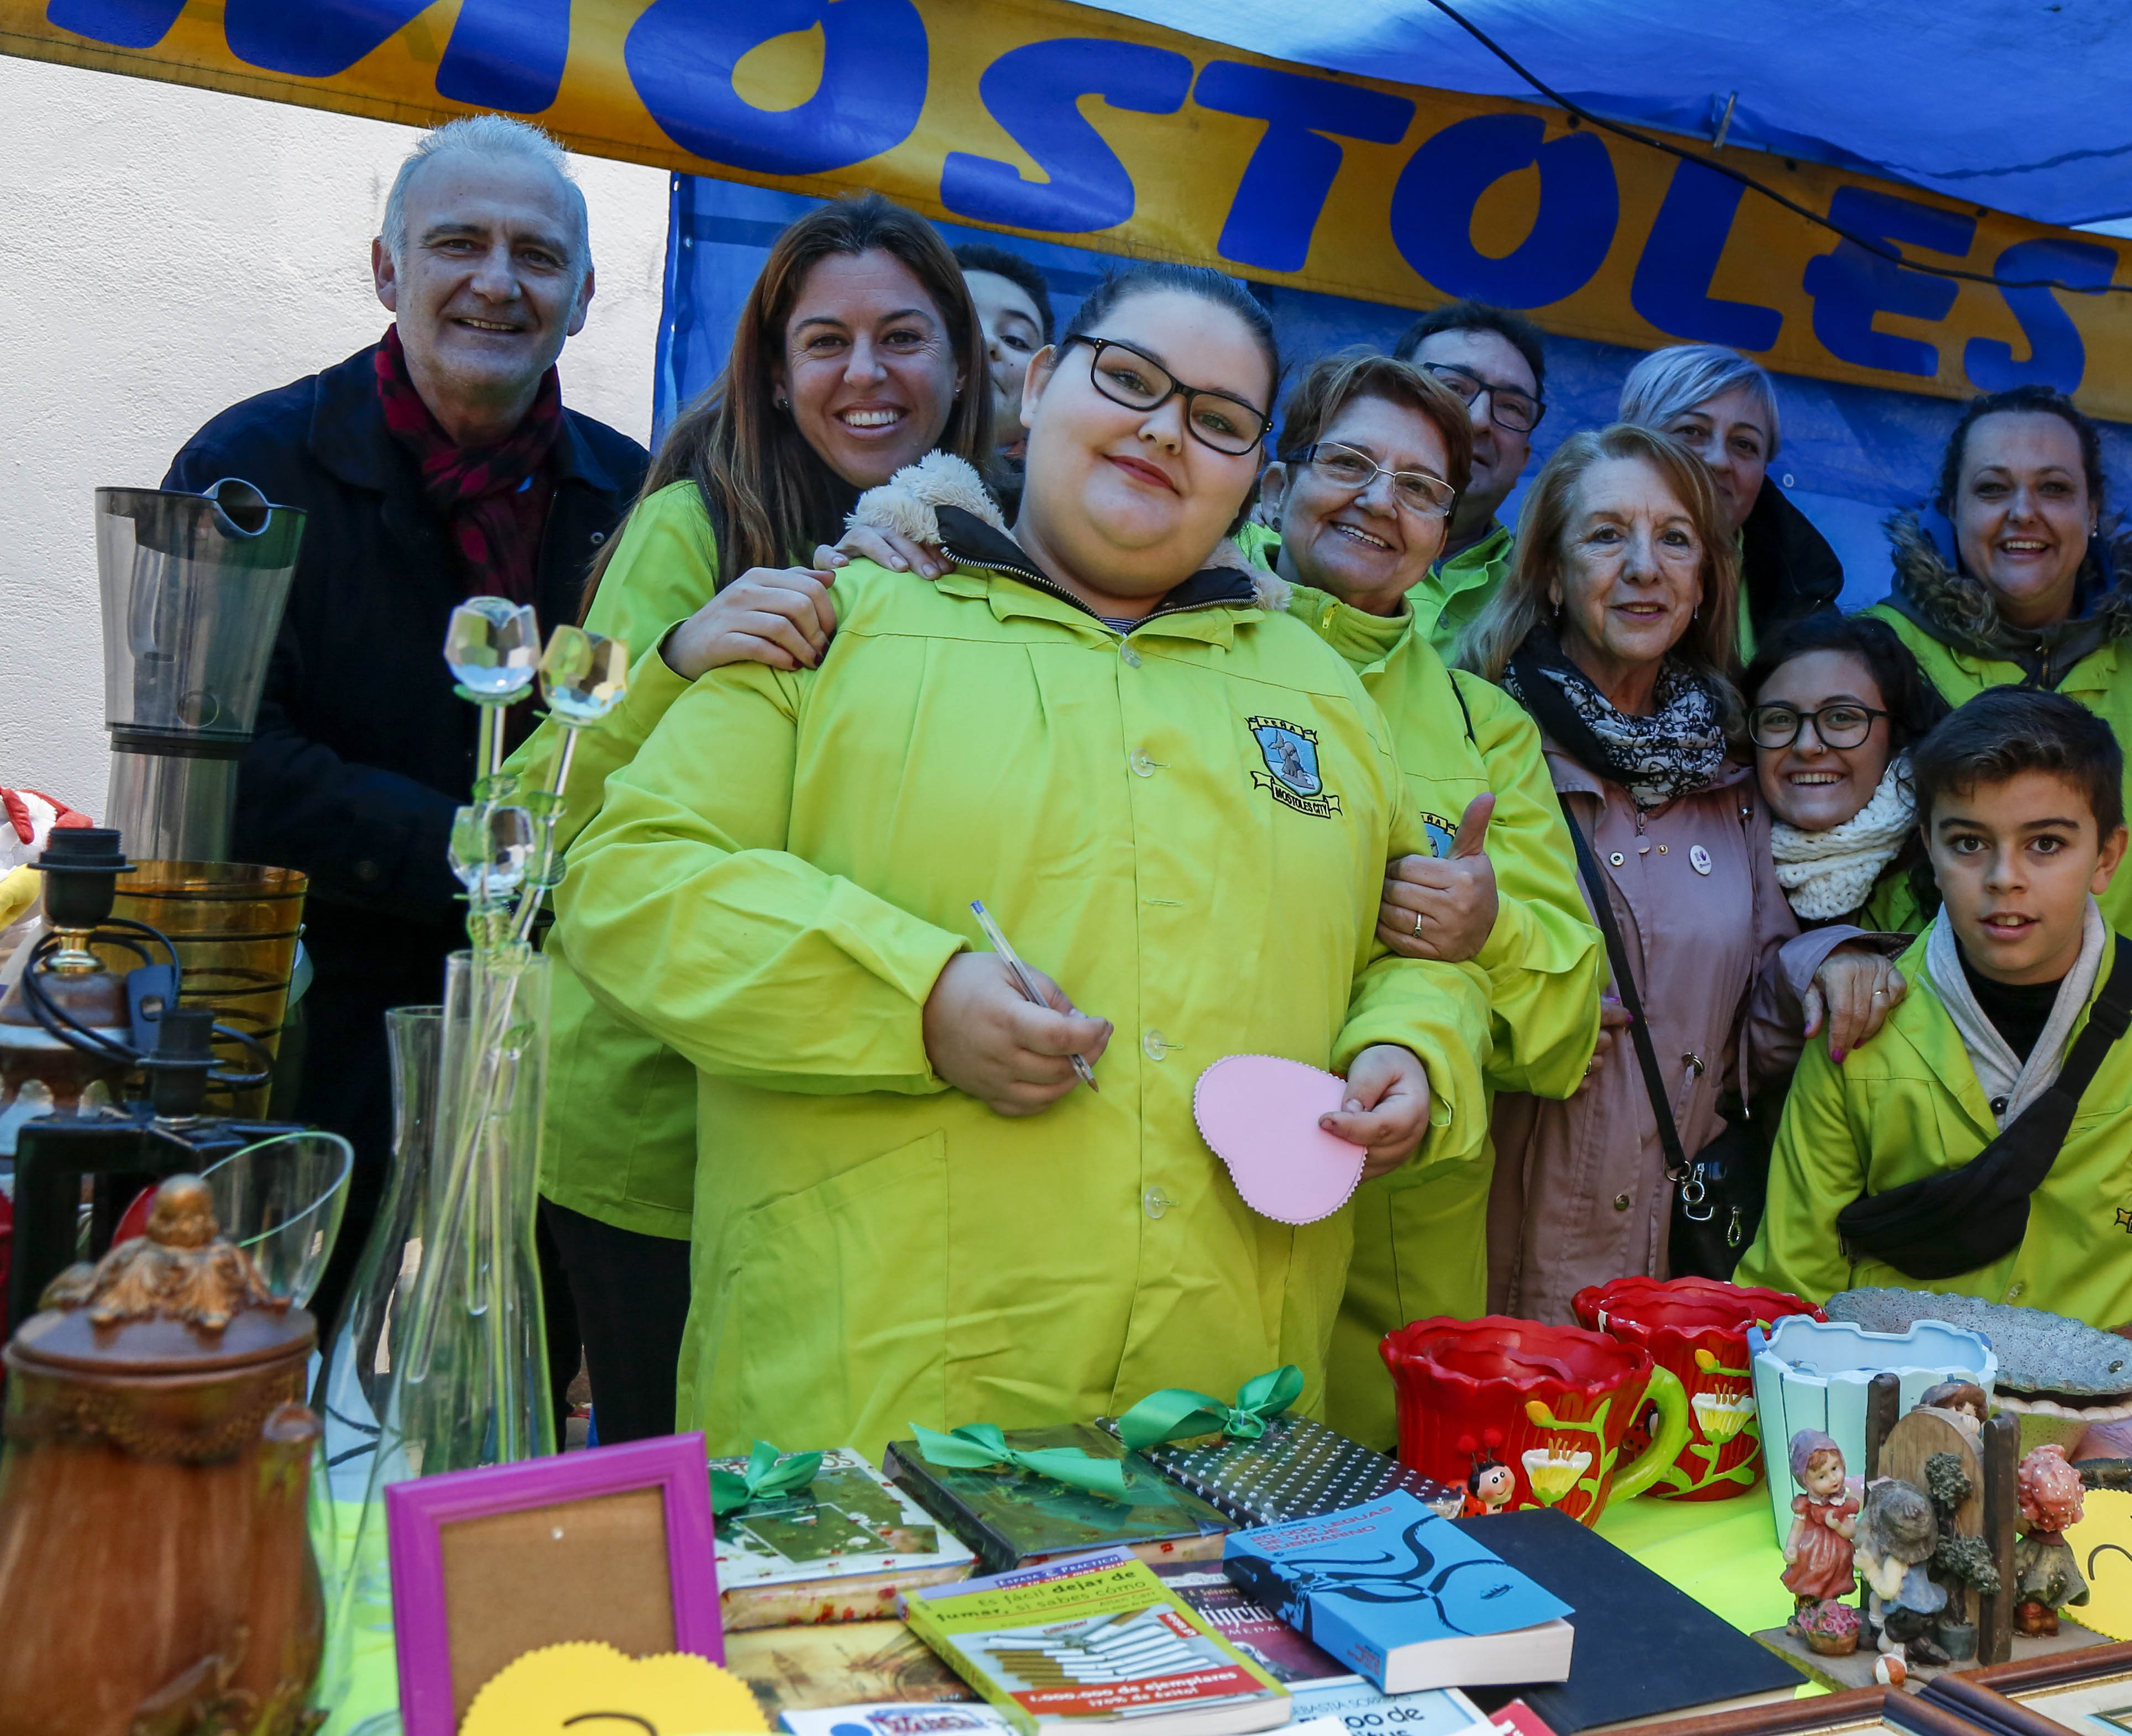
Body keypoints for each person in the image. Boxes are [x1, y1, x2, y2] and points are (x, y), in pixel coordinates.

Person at [553, 263, 1478, 1455]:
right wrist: (916, 998)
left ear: (1257, 475)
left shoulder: (1320, 691)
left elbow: (1419, 948)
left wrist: (1409, 1046)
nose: (1165, 431)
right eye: (1130, 380)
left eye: (1218, 419)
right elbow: (631, 881)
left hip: (1222, 1409)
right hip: (868, 1408)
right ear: (1038, 386)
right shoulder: (843, 621)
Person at [522, 193, 994, 1444]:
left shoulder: (988, 544)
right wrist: (676, 655)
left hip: (840, 1106)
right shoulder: (686, 525)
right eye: (825, 343)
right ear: (778, 378)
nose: (865, 374)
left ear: (959, 362)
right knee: (676, 1474)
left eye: (902, 337)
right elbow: (528, 804)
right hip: (654, 1127)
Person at [163, 114, 646, 1305]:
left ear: (585, 298)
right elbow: (219, 766)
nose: (499, 282)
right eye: (458, 245)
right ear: (388, 271)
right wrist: (488, 856)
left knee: (526, 1369)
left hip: (562, 1049)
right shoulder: (250, 469)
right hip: (312, 1048)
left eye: (539, 256)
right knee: (292, 1363)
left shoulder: (636, 500)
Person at [1239, 351, 1607, 1446]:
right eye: (1348, 465)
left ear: (1445, 534)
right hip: (1202, 1188)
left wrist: (1488, 928)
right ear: (1276, 485)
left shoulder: (1484, 730)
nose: (1377, 502)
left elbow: (1568, 1016)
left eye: (1417, 488)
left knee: (1381, 1528)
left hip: (1397, 1250)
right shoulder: (1174, 654)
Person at [1739, 689, 2132, 1319]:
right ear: (1930, 851)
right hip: (1898, 1381)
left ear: (2107, 857)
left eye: (2045, 844)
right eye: (1968, 843)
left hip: (2124, 1384)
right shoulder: (1859, 1030)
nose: (2003, 878)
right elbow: (1794, 1280)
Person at [1460, 426, 1807, 1319]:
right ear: (1551, 573)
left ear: (1704, 584)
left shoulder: (1736, 778)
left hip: (1661, 1277)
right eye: (1607, 535)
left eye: (1675, 540)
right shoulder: (1474, 743)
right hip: (1485, 1261)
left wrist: (1831, 961)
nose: (1645, 568)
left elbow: (1761, 1026)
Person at [1867, 386, 2132, 952]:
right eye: (1993, 489)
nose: (2023, 513)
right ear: (1952, 508)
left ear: (2092, 510)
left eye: (2054, 488)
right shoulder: (1876, 655)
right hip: (1927, 1007)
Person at [1620, 346, 1844, 658]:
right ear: (1632, 445)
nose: (1719, 460)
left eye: (1744, 444)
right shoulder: (1568, 564)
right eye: (1692, 431)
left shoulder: (1807, 598)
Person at [1748, 611, 1953, 933]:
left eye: (1841, 717)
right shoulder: (1721, 865)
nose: (1806, 746)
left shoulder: (1952, 870)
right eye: (1780, 719)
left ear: (1896, 736)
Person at [1396, 302, 1550, 652]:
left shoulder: (1548, 597)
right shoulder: (1280, 546)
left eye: (1511, 406)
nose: (1479, 420)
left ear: (1524, 460)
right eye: (1453, 387)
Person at [952, 242, 1054, 506]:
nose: (986, 341)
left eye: (1015, 339)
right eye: (961, 326)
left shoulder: (1058, 508)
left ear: (1042, 386)